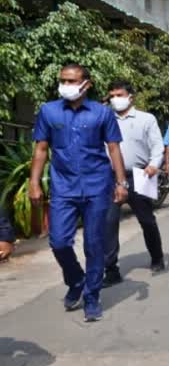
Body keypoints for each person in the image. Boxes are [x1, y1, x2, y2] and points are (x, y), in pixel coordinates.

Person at [29, 64, 129, 322]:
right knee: (59, 241)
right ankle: (75, 280)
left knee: (94, 244)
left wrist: (121, 183)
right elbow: (41, 148)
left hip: (97, 186)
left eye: (72, 81)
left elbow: (114, 149)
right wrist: (34, 182)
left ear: (87, 84)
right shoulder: (49, 111)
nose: (66, 85)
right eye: (63, 80)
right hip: (63, 187)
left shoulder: (102, 113)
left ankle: (92, 295)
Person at [103, 81, 166, 286]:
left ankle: (157, 257)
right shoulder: (104, 119)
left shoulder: (146, 119)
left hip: (140, 175)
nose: (115, 99)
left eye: (119, 95)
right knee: (109, 222)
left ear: (130, 97)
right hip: (111, 178)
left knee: (146, 220)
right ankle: (111, 269)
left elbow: (158, 146)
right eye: (111, 95)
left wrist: (154, 164)